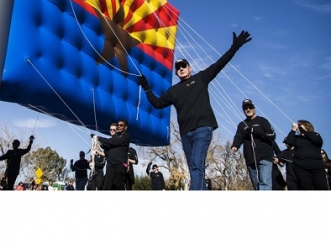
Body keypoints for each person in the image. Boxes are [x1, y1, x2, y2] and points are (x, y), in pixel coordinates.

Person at [139, 30, 252, 190]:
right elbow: (157, 104)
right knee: (194, 169)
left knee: (197, 166)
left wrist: (234, 47)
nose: (181, 69)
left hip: (202, 129)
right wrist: (146, 87)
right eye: (178, 68)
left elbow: (219, 64)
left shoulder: (200, 79)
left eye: (183, 66)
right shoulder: (173, 91)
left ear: (189, 68)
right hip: (186, 133)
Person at [231, 99, 276, 190]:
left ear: (254, 108)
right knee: (256, 185)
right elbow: (238, 137)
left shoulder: (263, 121)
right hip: (250, 159)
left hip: (265, 157)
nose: (248, 110)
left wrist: (254, 131)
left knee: (264, 182)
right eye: (245, 108)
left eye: (250, 107)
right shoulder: (242, 125)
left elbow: (272, 136)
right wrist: (235, 146)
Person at [284, 120, 328, 190]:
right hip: (301, 167)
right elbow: (289, 141)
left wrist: (304, 131)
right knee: (306, 187)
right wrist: (293, 130)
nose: (299, 127)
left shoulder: (315, 135)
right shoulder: (297, 138)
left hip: (316, 166)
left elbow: (317, 141)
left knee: (321, 187)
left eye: (300, 125)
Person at [95, 119, 130, 190]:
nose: (119, 127)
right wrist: (98, 144)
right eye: (118, 125)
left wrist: (99, 138)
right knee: (106, 185)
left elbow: (114, 142)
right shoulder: (112, 139)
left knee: (118, 185)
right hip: (110, 164)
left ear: (125, 127)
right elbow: (107, 149)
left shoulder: (126, 136)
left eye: (121, 125)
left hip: (120, 164)